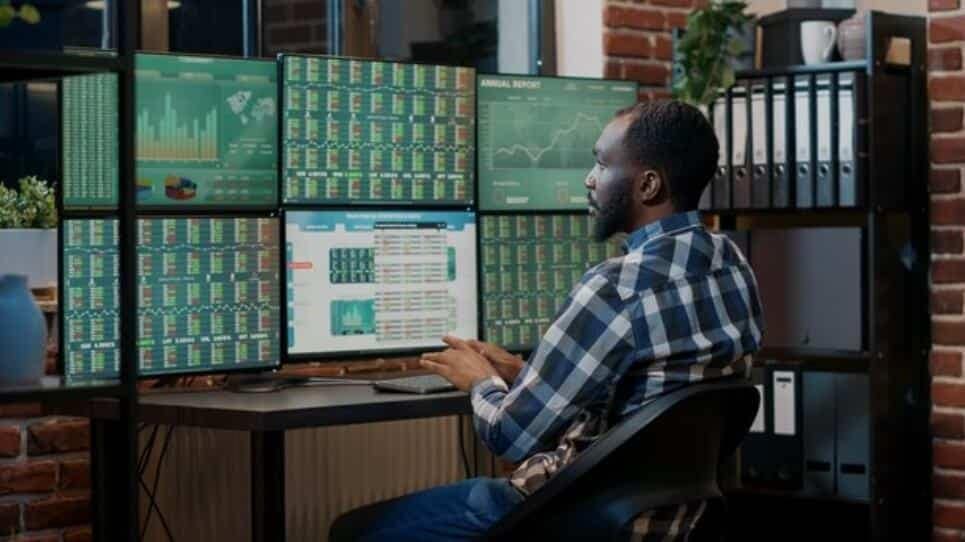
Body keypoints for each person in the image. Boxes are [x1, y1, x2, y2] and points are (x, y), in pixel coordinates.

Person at [329, 100, 764, 541]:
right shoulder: (733, 265)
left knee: (352, 531)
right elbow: (652, 395)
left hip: (574, 515)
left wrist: (480, 381)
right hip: (665, 522)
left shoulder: (617, 287)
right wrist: (526, 375)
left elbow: (511, 437)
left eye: (601, 163)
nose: (590, 180)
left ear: (648, 185)